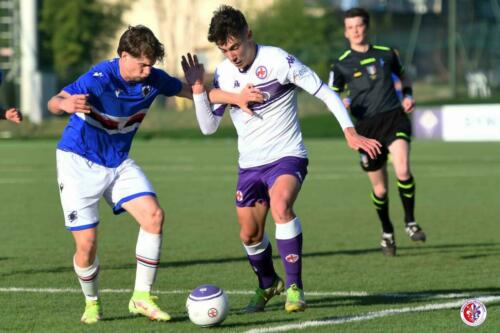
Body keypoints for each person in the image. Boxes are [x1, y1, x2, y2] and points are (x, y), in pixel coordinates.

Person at [47, 25, 261, 324]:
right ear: (123, 55)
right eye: (142, 64)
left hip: (118, 161)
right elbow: (54, 101)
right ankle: (92, 302)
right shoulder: (99, 78)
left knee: (154, 216)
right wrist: (65, 103)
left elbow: (195, 93)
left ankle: (141, 297)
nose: (148, 70)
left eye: (151, 64)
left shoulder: (154, 79)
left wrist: (235, 97)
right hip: (78, 162)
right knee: (86, 246)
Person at [183, 5, 381, 313]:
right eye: (225, 50)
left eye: (235, 46)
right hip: (249, 165)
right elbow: (208, 127)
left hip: (287, 155)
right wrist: (198, 90)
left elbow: (326, 92)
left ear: (248, 34)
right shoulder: (223, 72)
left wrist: (350, 132)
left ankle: (294, 288)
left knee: (281, 206)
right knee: (249, 234)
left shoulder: (279, 61)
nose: (232, 55)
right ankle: (267, 284)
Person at [328, 7, 426, 257]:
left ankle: (410, 222)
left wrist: (408, 96)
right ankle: (387, 232)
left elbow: (405, 78)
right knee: (380, 190)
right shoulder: (340, 64)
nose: (356, 31)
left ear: (366, 27)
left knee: (402, 169)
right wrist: (344, 104)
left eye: (359, 25)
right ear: (345, 32)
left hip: (394, 119)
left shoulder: (387, 54)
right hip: (366, 129)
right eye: (350, 27)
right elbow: (331, 96)